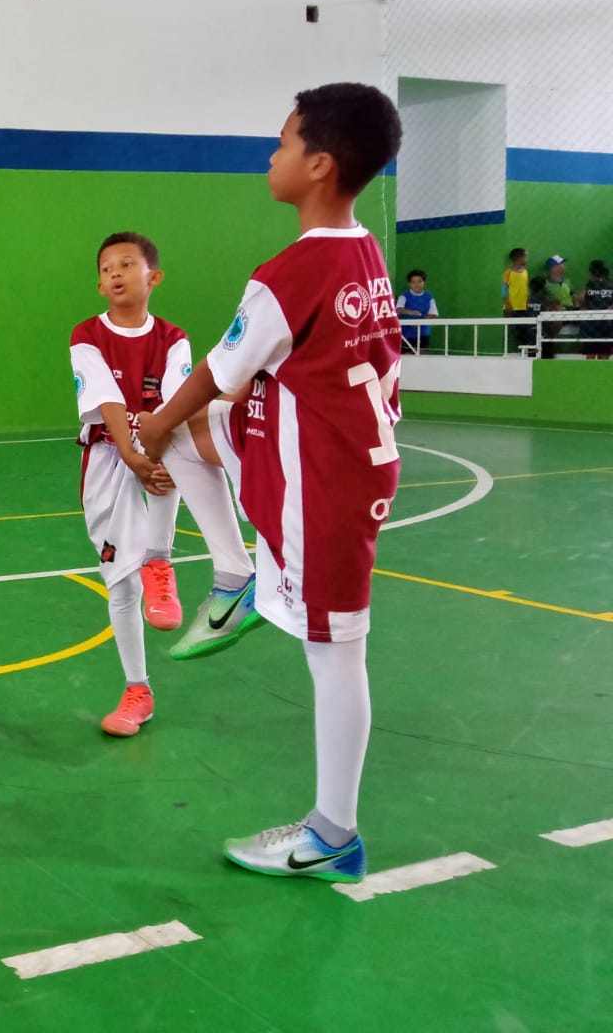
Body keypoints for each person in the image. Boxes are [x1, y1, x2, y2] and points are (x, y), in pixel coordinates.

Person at [138, 82, 404, 885]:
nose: (271, 153)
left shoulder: (290, 273)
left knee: (337, 656)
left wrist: (148, 425)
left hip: (322, 484)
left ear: (319, 165)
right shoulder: (364, 250)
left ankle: (333, 834)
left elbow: (219, 374)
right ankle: (242, 576)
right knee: (197, 439)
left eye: (283, 142)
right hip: (310, 448)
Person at [69, 232, 256, 738]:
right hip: (110, 458)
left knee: (177, 447)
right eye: (106, 267)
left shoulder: (172, 337)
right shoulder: (86, 335)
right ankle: (139, 689)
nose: (114, 273)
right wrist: (134, 455)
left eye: (126, 264)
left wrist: (152, 452)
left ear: (153, 277)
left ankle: (161, 558)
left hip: (156, 447)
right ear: (99, 283)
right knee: (118, 584)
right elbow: (107, 401)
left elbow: (176, 398)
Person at [541, 254, 578, 356]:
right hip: (556, 310)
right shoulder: (545, 283)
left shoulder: (567, 281)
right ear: (554, 268)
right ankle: (553, 341)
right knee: (559, 310)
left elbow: (574, 297)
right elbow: (542, 301)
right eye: (562, 264)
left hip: (570, 309)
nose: (564, 266)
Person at [575, 259, 613, 359]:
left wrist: (584, 306)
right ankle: (603, 374)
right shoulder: (610, 286)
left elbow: (579, 299)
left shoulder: (588, 287)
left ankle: (589, 374)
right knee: (604, 356)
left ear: (591, 273)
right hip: (607, 323)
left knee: (590, 356)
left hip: (590, 324)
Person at [396, 269, 438, 354]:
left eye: (419, 281)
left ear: (424, 283)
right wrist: (411, 312)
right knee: (407, 357)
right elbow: (398, 309)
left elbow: (433, 314)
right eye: (413, 282)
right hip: (406, 333)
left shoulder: (429, 297)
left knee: (423, 356)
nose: (416, 284)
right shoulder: (404, 295)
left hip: (423, 332)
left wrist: (420, 322)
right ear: (409, 283)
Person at [502, 247, 532, 355]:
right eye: (525, 256)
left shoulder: (525, 272)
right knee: (514, 333)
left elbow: (526, 287)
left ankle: (527, 352)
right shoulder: (508, 272)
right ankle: (517, 354)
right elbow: (504, 289)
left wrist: (528, 298)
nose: (527, 259)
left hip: (524, 307)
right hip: (512, 308)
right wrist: (507, 304)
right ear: (519, 258)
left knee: (526, 331)